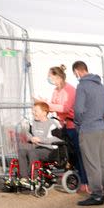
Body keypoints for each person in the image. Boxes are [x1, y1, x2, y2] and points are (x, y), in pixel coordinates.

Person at [35, 64, 87, 192]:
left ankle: (85, 182)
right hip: (62, 125)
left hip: (73, 126)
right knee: (69, 155)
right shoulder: (55, 91)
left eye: (50, 76)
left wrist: (48, 105)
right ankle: (76, 178)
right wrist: (44, 104)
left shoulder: (70, 90)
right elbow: (53, 107)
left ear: (57, 77)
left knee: (78, 154)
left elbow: (65, 108)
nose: (48, 78)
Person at [72, 61, 104, 206]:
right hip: (102, 128)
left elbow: (78, 110)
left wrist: (78, 124)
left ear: (77, 71)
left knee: (92, 164)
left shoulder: (82, 86)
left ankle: (96, 195)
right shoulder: (101, 87)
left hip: (88, 129)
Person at [14, 102, 61, 184]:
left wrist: (40, 140)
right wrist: (31, 138)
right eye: (33, 110)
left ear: (44, 113)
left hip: (50, 150)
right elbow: (27, 133)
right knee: (22, 149)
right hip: (37, 147)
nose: (33, 112)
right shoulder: (33, 122)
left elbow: (58, 139)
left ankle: (34, 177)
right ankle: (24, 177)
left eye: (35, 111)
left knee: (33, 152)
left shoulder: (53, 124)